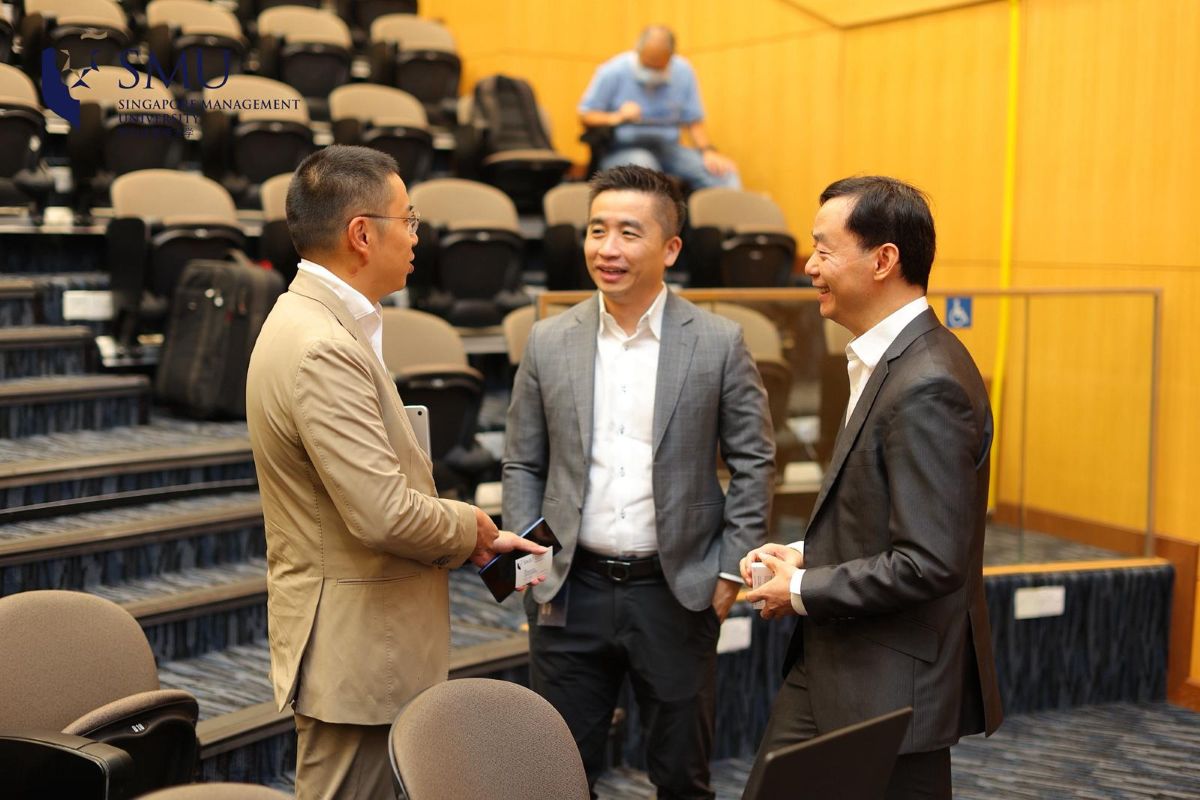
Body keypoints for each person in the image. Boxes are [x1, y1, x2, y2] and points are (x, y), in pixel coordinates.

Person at [246, 145, 545, 799]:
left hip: (365, 643)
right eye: (408, 219)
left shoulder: (321, 323)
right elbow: (381, 511)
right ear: (361, 234)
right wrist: (469, 527)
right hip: (359, 653)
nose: (417, 236)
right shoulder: (323, 345)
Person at [503, 165, 775, 799]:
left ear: (670, 248)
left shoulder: (717, 342)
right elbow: (522, 464)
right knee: (560, 774)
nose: (608, 249)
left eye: (629, 232)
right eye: (597, 230)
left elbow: (755, 461)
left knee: (683, 774)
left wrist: (730, 573)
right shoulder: (548, 341)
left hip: (675, 593)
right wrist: (526, 575)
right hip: (569, 589)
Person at [741, 176, 1003, 799]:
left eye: (825, 251)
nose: (808, 266)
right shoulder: (885, 359)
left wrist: (801, 587)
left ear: (884, 259)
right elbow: (880, 512)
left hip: (889, 681)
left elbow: (929, 560)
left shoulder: (927, 382)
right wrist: (803, 557)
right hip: (846, 660)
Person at [579, 25, 740, 190]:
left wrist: (708, 151)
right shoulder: (613, 71)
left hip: (668, 148)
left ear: (670, 57)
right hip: (624, 148)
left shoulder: (683, 71)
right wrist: (617, 116)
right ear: (638, 51)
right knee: (647, 173)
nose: (652, 70)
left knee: (723, 174)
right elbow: (586, 115)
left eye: (658, 66)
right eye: (647, 64)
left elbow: (693, 120)